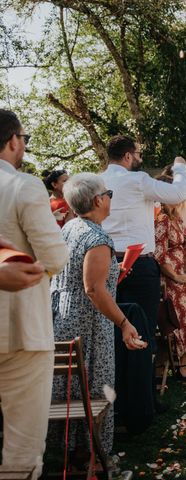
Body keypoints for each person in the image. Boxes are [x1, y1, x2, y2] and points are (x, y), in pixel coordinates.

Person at [49, 173, 145, 465]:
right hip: (88, 321)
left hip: (63, 314)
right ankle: (91, 455)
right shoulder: (97, 237)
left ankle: (69, 449)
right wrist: (125, 324)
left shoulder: (69, 228)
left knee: (71, 384)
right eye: (109, 193)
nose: (111, 197)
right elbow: (93, 289)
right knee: (93, 384)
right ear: (98, 200)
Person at [0, 109, 69, 477]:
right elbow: (56, 255)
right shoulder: (23, 186)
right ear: (13, 141)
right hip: (21, 331)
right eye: (23, 139)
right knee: (22, 447)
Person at [100, 135, 186, 409]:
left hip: (104, 262)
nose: (139, 158)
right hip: (139, 264)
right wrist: (181, 167)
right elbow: (178, 194)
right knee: (143, 331)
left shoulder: (96, 180)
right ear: (127, 156)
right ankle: (143, 402)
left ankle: (115, 399)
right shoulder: (138, 181)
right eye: (137, 153)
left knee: (113, 331)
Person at [154, 173, 186, 382]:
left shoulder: (175, 217)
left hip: (182, 276)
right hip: (170, 280)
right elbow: (159, 254)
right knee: (179, 322)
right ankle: (181, 366)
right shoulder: (161, 220)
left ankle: (185, 364)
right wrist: (175, 276)